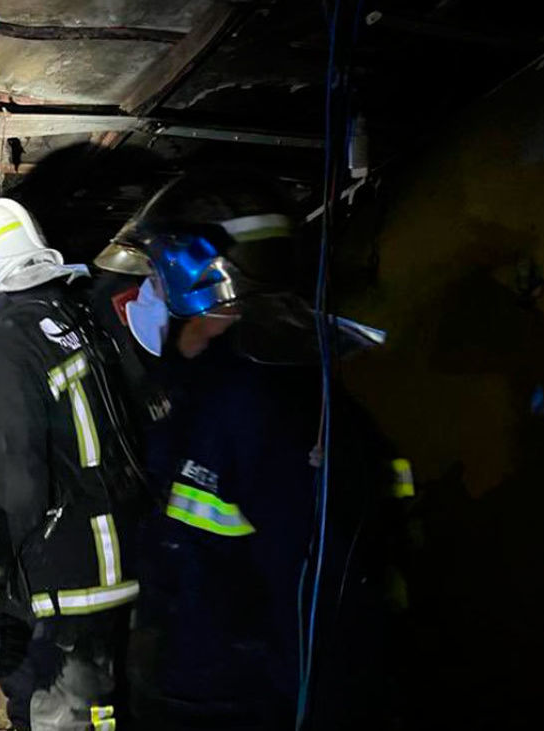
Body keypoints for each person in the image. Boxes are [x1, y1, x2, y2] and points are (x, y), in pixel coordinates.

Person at [96, 171, 397, 730]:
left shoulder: (263, 402)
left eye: (158, 277)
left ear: (205, 279)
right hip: (193, 681)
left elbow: (308, 595)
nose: (147, 294)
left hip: (238, 701)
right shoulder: (199, 389)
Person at [0, 197, 147, 731]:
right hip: (123, 572)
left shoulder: (13, 341)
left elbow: (12, 483)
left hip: (68, 589)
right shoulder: (79, 318)